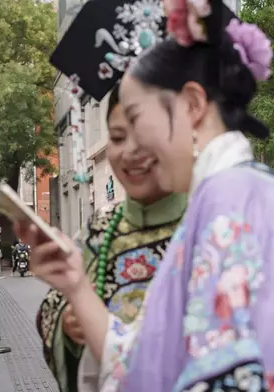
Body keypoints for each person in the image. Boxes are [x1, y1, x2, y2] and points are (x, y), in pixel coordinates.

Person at [18, 0, 274, 391]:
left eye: (136, 119)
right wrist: (77, 290)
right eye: (119, 133)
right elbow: (143, 363)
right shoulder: (250, 195)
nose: (135, 147)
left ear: (193, 105)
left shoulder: (229, 207)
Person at [35, 80, 188, 392]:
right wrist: (68, 323)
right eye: (118, 137)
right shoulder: (100, 226)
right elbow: (53, 304)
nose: (131, 151)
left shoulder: (215, 224)